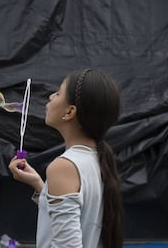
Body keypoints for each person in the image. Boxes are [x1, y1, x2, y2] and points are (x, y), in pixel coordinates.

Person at [8, 68, 124, 248]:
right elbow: (80, 214)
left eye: (58, 93)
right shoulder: (96, 158)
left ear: (70, 112)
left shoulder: (64, 166)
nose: (50, 97)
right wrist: (40, 185)